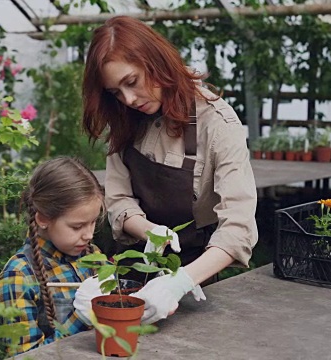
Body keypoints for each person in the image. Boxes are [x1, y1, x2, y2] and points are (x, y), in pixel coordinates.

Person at [82, 16, 258, 325]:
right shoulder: (126, 118)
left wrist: (178, 283)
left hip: (195, 274)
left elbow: (239, 227)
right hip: (131, 266)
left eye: (131, 82)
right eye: (115, 92)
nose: (128, 99)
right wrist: (149, 231)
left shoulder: (217, 124)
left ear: (156, 61)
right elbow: (119, 198)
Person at [0, 157, 109, 355]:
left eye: (92, 222)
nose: (89, 234)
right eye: (77, 226)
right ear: (43, 219)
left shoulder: (94, 257)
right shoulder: (19, 277)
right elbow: (23, 356)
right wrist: (79, 318)